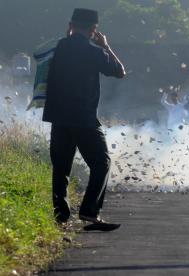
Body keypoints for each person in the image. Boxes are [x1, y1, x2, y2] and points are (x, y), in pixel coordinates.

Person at [42, 8, 126, 228]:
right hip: (83, 118)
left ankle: (60, 217)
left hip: (58, 117)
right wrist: (105, 46)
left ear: (71, 25)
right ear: (93, 29)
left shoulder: (58, 48)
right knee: (101, 163)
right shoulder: (93, 51)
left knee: (61, 167)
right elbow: (119, 71)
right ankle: (89, 211)